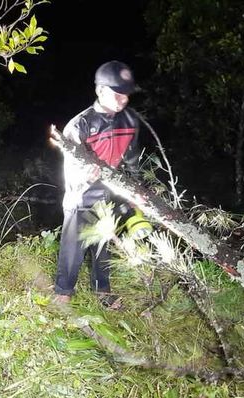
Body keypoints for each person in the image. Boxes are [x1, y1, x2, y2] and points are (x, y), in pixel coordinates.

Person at [54, 60, 141, 307]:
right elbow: (71, 166)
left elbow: (132, 160)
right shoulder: (80, 124)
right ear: (100, 90)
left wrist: (135, 189)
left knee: (104, 245)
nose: (122, 99)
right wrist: (85, 175)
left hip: (111, 194)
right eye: (116, 93)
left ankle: (103, 292)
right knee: (73, 246)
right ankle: (63, 293)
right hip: (81, 195)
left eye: (126, 94)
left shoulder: (129, 122)